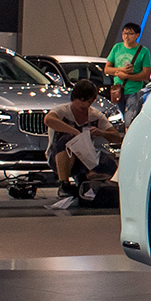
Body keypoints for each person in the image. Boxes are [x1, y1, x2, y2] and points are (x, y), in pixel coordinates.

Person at [45, 80, 123, 211]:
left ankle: (90, 183)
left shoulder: (95, 115)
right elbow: (48, 120)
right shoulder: (62, 111)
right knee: (67, 140)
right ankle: (64, 183)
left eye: (88, 101)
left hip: (86, 158)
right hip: (60, 157)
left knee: (108, 162)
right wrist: (74, 132)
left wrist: (101, 133)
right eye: (81, 101)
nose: (84, 105)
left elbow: (115, 136)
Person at [105, 21, 151, 119]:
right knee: (119, 118)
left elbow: (146, 75)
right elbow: (107, 69)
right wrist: (121, 70)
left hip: (134, 91)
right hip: (118, 90)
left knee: (129, 118)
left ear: (137, 35)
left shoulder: (143, 51)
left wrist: (127, 76)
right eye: (124, 33)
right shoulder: (117, 47)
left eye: (130, 34)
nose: (126, 36)